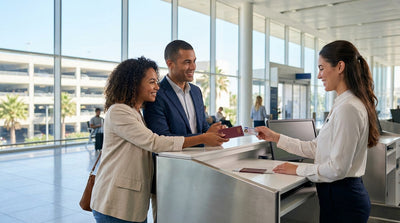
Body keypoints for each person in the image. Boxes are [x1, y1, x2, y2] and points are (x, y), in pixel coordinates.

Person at [90, 57, 228, 223]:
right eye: (152, 82)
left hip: (132, 206)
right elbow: (154, 142)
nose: (157, 87)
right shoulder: (119, 111)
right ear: (134, 84)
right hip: (115, 205)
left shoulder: (135, 113)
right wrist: (203, 138)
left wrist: (208, 134)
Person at [255, 40, 379, 223]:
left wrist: (298, 169)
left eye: (322, 68)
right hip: (337, 198)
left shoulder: (348, 108)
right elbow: (316, 148)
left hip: (343, 201)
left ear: (340, 67)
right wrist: (276, 137)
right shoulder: (342, 104)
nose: (319, 75)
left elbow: (338, 169)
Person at [144, 40, 224, 139]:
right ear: (170, 64)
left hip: (201, 154)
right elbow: (162, 138)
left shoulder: (196, 91)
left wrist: (214, 132)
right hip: (172, 155)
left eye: (194, 61)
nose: (193, 67)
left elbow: (203, 128)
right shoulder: (156, 94)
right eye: (187, 62)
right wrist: (204, 137)